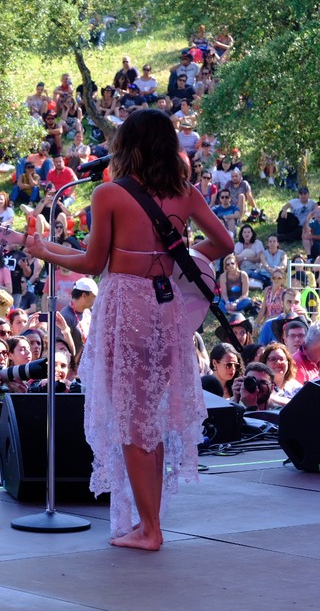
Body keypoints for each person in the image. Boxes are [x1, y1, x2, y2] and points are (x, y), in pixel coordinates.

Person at [26, 109, 234, 550]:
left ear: (127, 147)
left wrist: (46, 252)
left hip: (127, 307)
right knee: (149, 418)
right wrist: (177, 258)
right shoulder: (187, 193)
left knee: (132, 420)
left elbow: (92, 263)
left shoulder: (109, 194)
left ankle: (151, 530)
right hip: (166, 307)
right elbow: (224, 244)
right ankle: (148, 523)